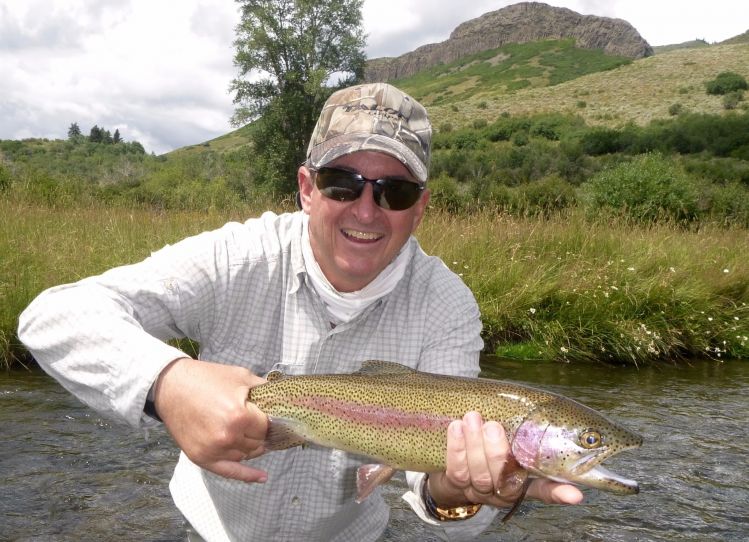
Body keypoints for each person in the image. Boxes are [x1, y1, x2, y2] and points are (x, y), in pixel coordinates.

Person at [18, 83, 581, 541]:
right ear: (307, 188)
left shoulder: (447, 305)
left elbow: (434, 493)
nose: (367, 209)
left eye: (395, 192)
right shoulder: (236, 255)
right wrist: (167, 383)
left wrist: (458, 495)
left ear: (421, 208)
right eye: (342, 183)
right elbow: (55, 315)